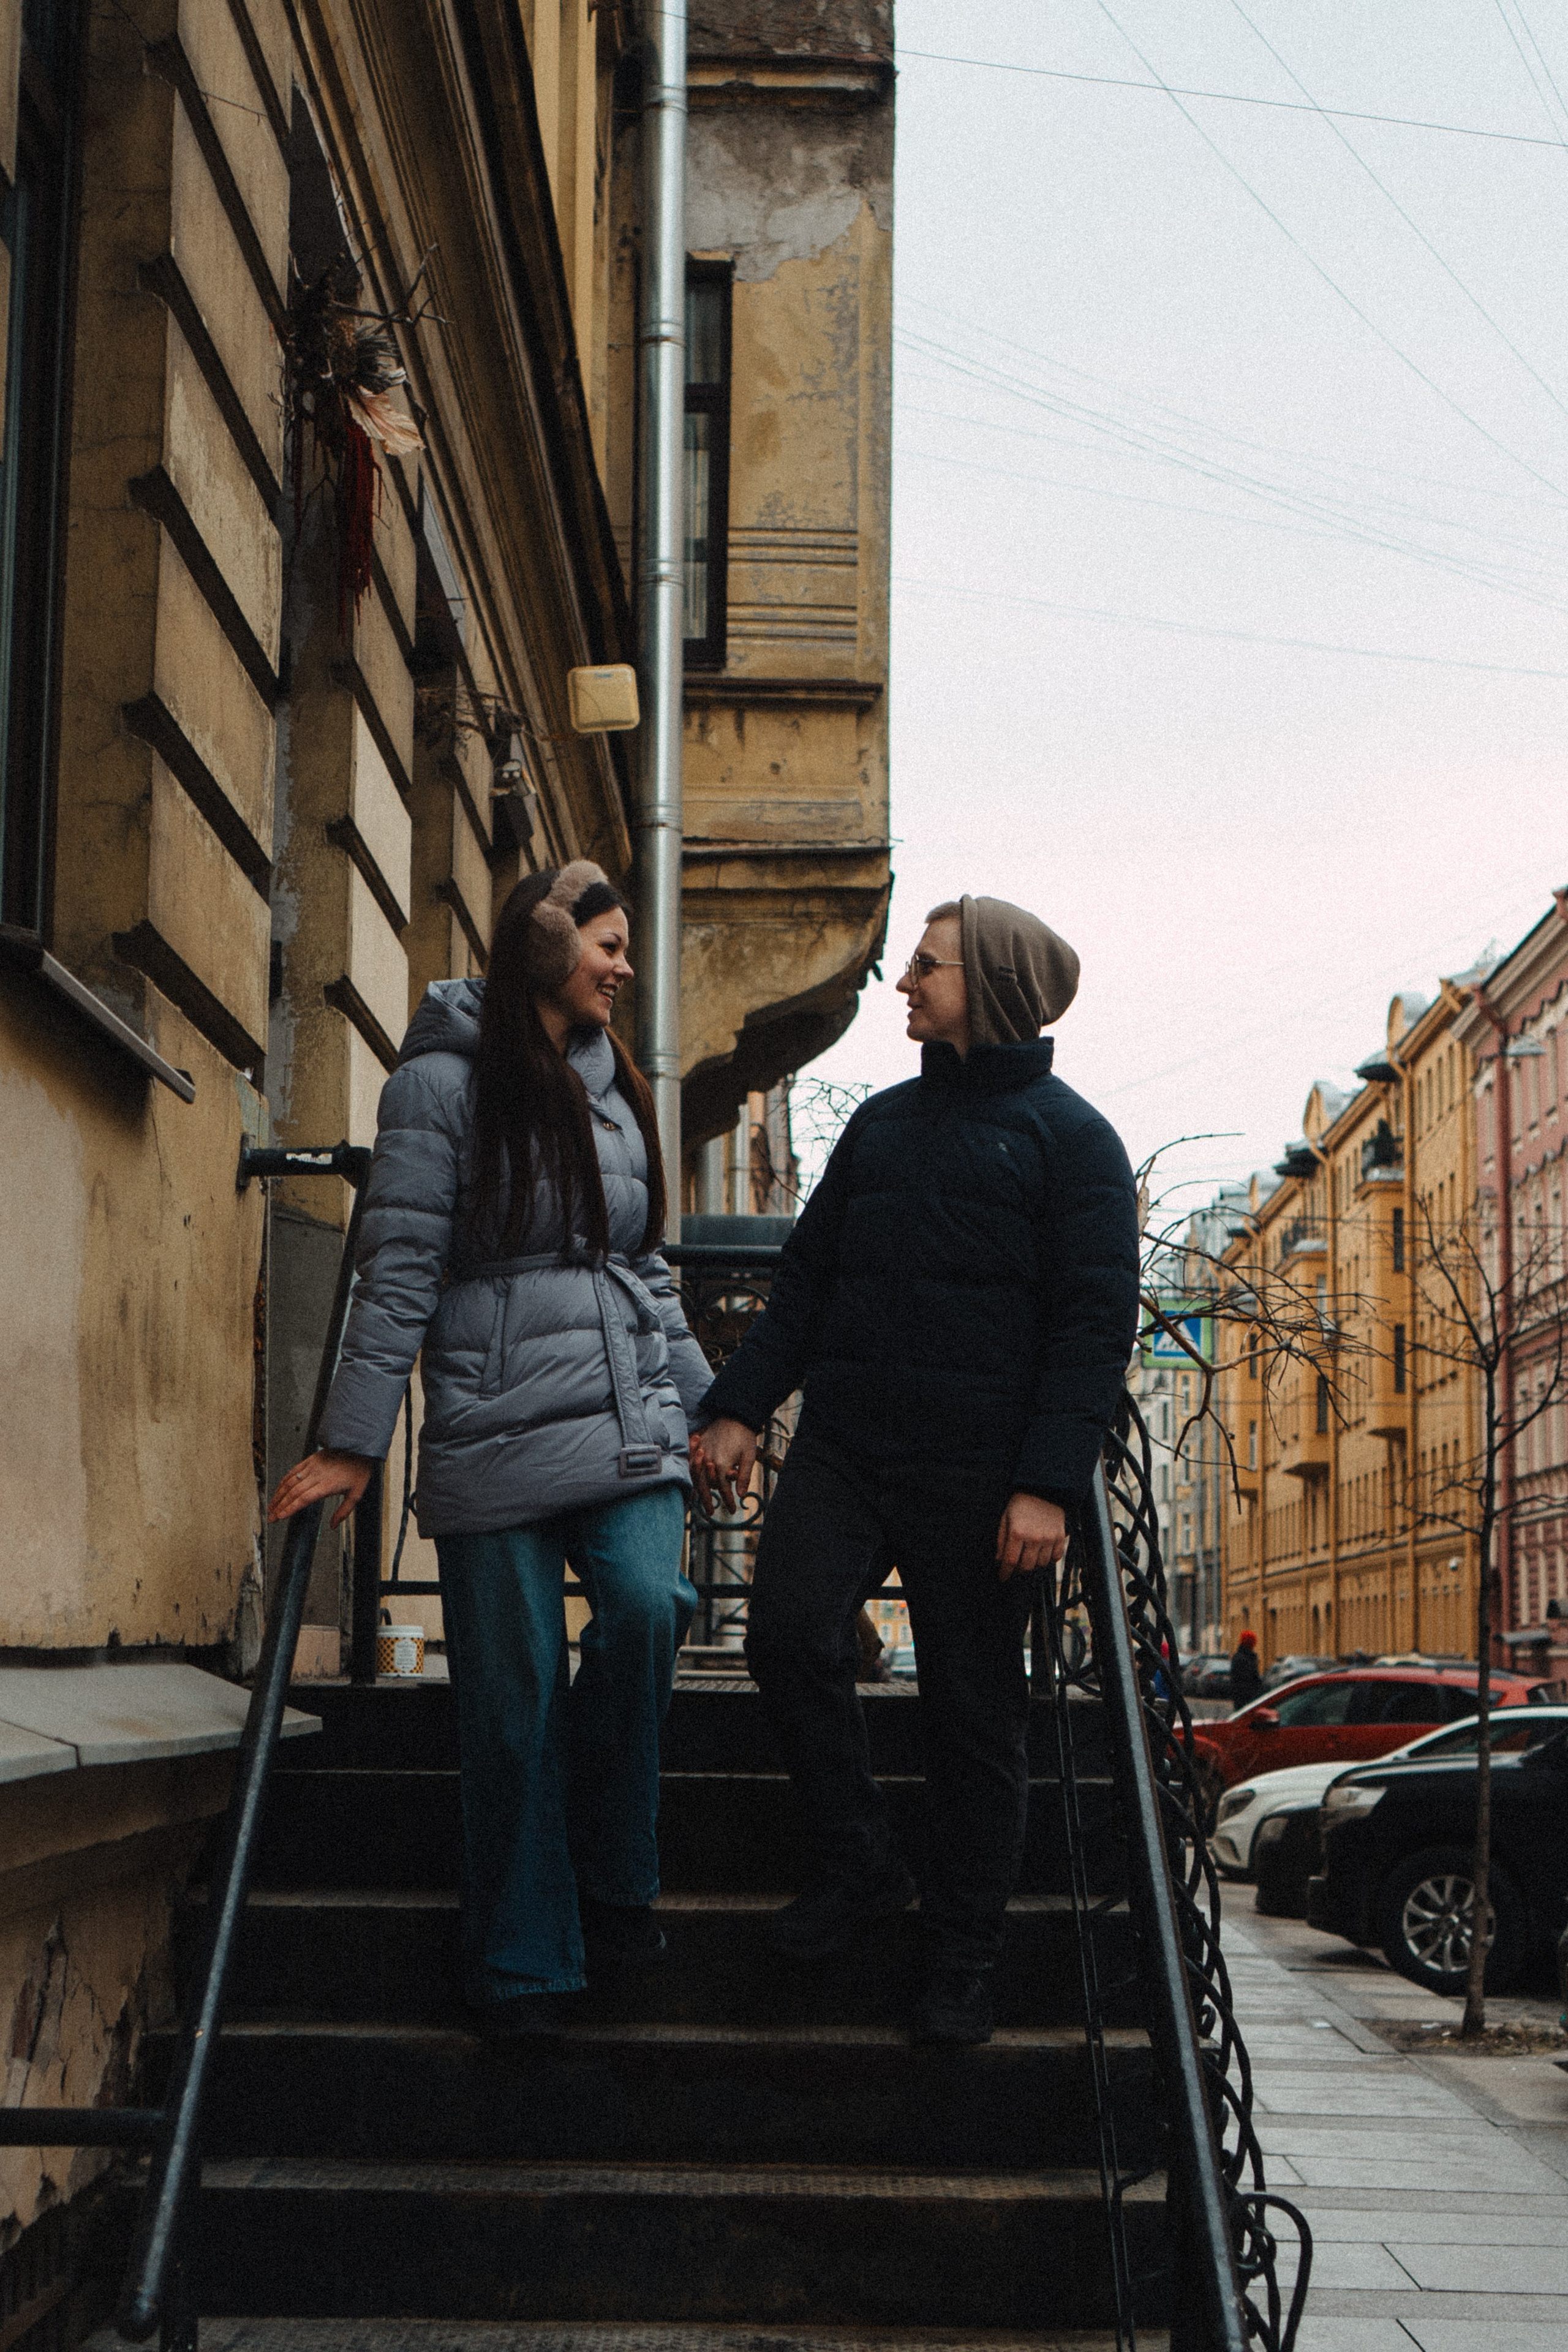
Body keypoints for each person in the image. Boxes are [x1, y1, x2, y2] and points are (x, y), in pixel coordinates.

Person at [268, 864, 712, 2038]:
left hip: (627, 1413)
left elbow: (647, 1265)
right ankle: (525, 1960)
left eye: (627, 947)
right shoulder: (442, 1081)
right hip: (490, 1420)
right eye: (609, 945)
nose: (625, 967)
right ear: (546, 945)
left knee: (648, 1607)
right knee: (511, 1709)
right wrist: (355, 1444)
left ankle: (614, 1885)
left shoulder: (615, 1083)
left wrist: (715, 1408)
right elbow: (402, 1257)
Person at [692, 895, 1140, 2046]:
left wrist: (1046, 1483)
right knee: (788, 1636)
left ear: (984, 985)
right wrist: (740, 1405)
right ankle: (859, 1863)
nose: (905, 984)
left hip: (984, 1476)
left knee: (975, 1718)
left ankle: (963, 1956)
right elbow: (807, 1283)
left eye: (927, 968)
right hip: (848, 1447)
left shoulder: (1073, 1141)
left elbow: (1094, 1328)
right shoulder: (882, 1127)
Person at [1229, 1629, 1262, 1707]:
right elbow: (1250, 1679)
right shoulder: (1245, 1659)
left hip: (1241, 1698)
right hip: (1246, 1699)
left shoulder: (1239, 1657)